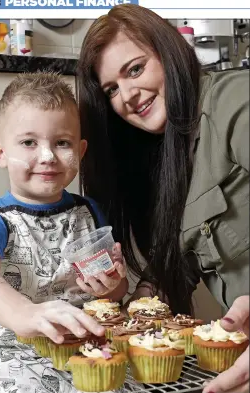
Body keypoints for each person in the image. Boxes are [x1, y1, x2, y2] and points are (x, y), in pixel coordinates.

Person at [77, 4, 249, 393]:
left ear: (168, 53)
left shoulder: (234, 102)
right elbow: (180, 259)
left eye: (135, 69)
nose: (128, 96)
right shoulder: (168, 158)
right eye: (111, 90)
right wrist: (139, 297)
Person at [0, 72, 128, 390]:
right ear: (0, 153)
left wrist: (110, 286)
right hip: (19, 357)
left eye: (61, 142)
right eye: (29, 143)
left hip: (88, 350)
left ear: (80, 149)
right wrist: (26, 313)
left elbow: (116, 292)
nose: (48, 156)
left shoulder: (89, 211)